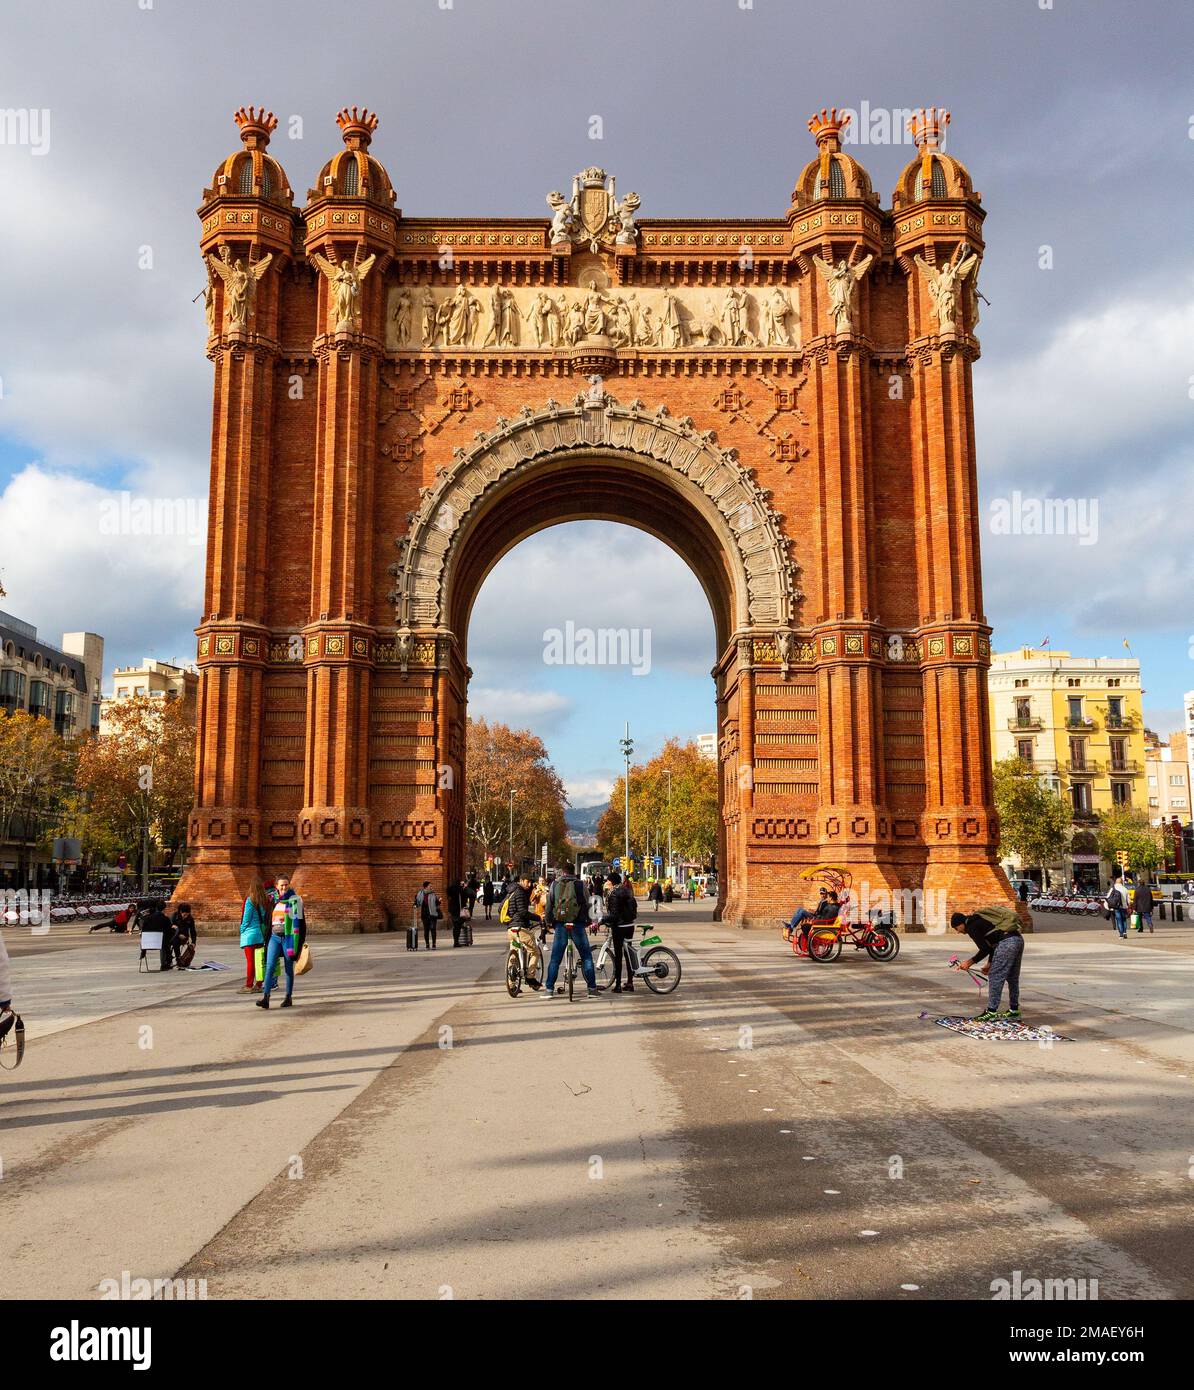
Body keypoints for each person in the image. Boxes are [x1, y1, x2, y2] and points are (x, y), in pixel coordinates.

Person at [949, 903, 1024, 1022]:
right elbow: (993, 944)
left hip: (1006, 944)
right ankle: (1014, 1010)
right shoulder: (979, 920)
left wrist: (969, 962)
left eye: (956, 928)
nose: (958, 932)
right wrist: (989, 963)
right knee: (1012, 978)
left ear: (961, 924)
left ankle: (991, 1012)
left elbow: (985, 949)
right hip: (1017, 939)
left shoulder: (971, 927)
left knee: (995, 977)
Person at [542, 860, 598, 999]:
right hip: (578, 924)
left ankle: (549, 989)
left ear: (563, 872)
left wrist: (549, 922)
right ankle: (591, 989)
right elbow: (589, 902)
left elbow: (549, 905)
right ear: (574, 872)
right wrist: (590, 921)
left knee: (555, 958)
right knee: (586, 957)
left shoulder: (554, 884)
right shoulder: (580, 884)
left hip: (561, 924)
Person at [256, 873, 304, 1009]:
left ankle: (288, 997)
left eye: (286, 885)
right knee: (269, 966)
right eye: (281, 885)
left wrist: (299, 944)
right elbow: (267, 921)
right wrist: (265, 938)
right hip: (274, 938)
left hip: (289, 939)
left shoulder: (295, 901)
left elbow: (301, 924)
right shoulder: (274, 901)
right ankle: (266, 997)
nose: (284, 887)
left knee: (288, 968)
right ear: (276, 887)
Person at [503, 870, 543, 989]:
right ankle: (530, 977)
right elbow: (522, 912)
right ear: (521, 881)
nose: (529, 884)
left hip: (511, 929)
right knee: (534, 952)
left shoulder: (511, 891)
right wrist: (538, 917)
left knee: (514, 955)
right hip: (520, 928)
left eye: (530, 882)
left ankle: (512, 985)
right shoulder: (519, 892)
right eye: (527, 882)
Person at [601, 870, 638, 993]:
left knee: (618, 956)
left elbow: (614, 915)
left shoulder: (613, 893)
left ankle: (617, 985)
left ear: (611, 882)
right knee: (628, 954)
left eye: (607, 881)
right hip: (630, 925)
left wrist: (602, 920)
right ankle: (630, 982)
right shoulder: (627, 890)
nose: (606, 883)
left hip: (619, 927)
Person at [239, 876, 270, 991]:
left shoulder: (250, 900)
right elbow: (263, 917)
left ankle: (248, 985)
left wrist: (241, 930)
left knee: (251, 961)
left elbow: (246, 919)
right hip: (259, 935)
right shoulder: (263, 900)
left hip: (250, 935)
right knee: (259, 961)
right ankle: (259, 984)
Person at [141, 899, 174, 972]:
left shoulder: (148, 918)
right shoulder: (165, 919)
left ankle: (143, 953)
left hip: (147, 943)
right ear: (164, 909)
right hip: (161, 943)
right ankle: (165, 963)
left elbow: (143, 929)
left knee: (163, 939)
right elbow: (169, 930)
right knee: (167, 939)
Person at [169, 902, 197, 969]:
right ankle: (178, 958)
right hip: (174, 936)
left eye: (187, 915)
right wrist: (178, 935)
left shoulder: (190, 919)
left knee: (179, 942)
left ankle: (181, 960)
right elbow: (170, 928)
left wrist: (193, 942)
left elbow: (193, 931)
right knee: (175, 941)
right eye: (184, 915)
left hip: (184, 937)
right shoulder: (174, 916)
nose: (185, 917)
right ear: (181, 912)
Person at [1106, 867, 1130, 940]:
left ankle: (1121, 934)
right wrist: (1128, 905)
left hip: (1116, 907)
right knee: (1124, 920)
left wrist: (1109, 905)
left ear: (1116, 882)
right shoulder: (1125, 889)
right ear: (1122, 882)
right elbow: (1128, 899)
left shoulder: (1113, 888)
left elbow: (1107, 897)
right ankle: (1125, 932)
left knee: (1118, 920)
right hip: (1124, 906)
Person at [421, 881, 442, 949]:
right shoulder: (421, 895)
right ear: (426, 887)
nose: (431, 887)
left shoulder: (433, 894)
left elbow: (437, 903)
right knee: (426, 930)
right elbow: (417, 902)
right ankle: (427, 944)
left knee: (433, 929)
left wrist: (439, 900)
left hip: (433, 914)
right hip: (425, 915)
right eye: (430, 886)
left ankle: (434, 944)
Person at [447, 877, 465, 947]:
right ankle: (456, 942)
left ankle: (455, 941)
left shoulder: (450, 889)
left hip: (452, 909)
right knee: (458, 926)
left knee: (455, 926)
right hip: (458, 909)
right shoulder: (460, 889)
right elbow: (465, 896)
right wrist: (463, 887)